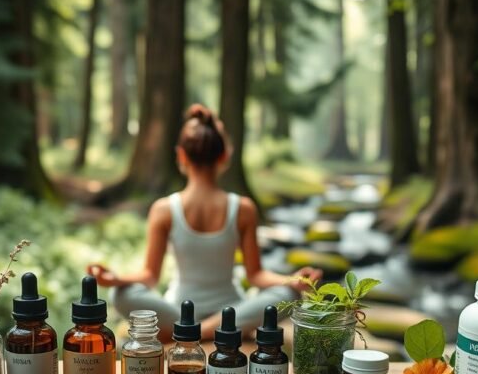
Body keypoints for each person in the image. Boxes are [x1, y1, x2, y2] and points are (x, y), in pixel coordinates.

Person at [87, 104, 322, 341]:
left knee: (120, 295)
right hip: (231, 314)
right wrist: (293, 281)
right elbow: (256, 275)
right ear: (224, 156)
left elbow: (150, 276)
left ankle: (192, 332)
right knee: (288, 294)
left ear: (180, 155)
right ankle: (218, 330)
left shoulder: (163, 209)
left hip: (179, 313)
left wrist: (117, 280)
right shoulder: (244, 208)